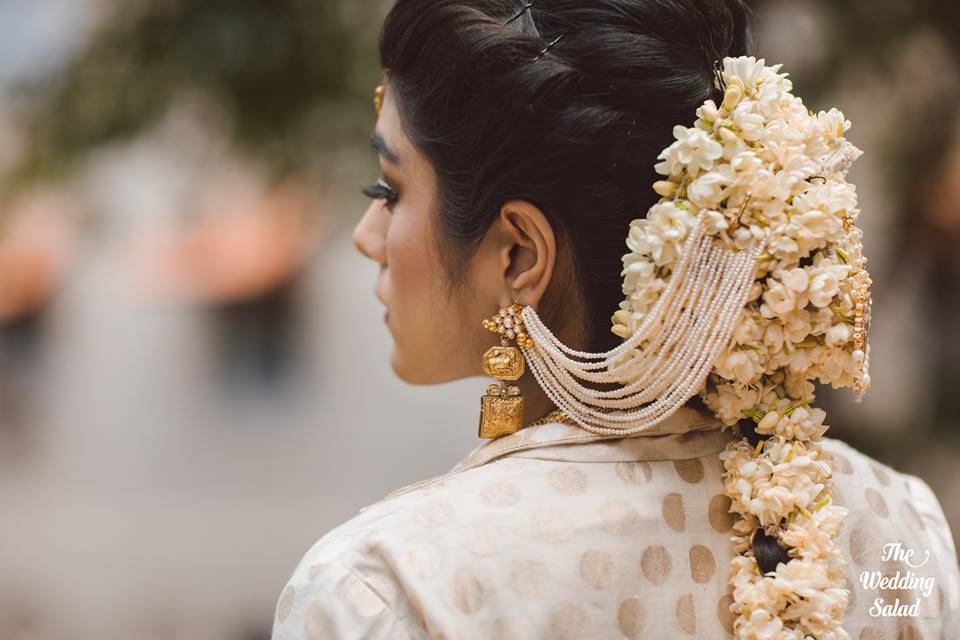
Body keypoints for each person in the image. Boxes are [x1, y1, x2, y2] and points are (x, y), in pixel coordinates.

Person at [271, 1, 960, 638]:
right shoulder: (900, 534)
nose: (366, 234)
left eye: (387, 190)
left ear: (518, 256)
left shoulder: (386, 590)